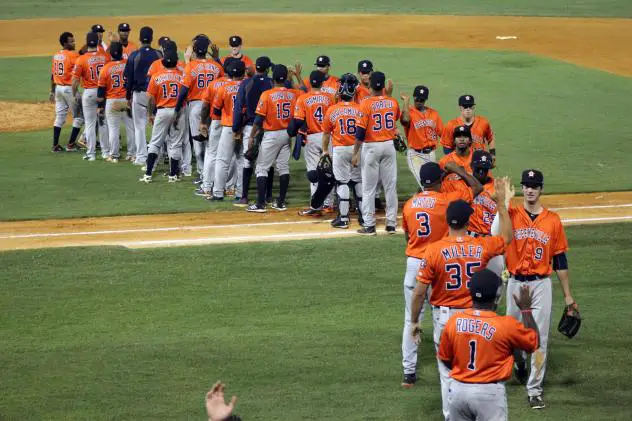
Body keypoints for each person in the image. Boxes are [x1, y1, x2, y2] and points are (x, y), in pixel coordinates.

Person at [410, 178, 513, 420]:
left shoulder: (434, 250)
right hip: (474, 318)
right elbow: (507, 238)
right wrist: (501, 205)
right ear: (468, 221)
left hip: (446, 320)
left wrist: (415, 322)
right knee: (479, 369)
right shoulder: (480, 246)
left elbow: (419, 292)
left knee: (448, 375)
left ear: (447, 221)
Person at [399, 161, 483, 388]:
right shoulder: (447, 201)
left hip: (415, 263)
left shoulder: (409, 205)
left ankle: (408, 373)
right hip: (440, 263)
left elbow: (407, 238)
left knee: (411, 319)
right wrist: (457, 170)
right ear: (440, 180)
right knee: (442, 314)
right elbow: (477, 188)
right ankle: (452, 367)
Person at [505, 169, 580, 409]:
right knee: (512, 338)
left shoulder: (553, 220)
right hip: (515, 283)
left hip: (540, 285)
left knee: (540, 339)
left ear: (541, 189)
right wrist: (502, 202)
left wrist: (568, 296)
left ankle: (535, 390)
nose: (529, 189)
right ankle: (519, 364)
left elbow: (560, 260)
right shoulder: (512, 214)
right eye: (526, 185)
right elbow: (497, 234)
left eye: (534, 186)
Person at [438, 269, 540, 421]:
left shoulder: (453, 322)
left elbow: (445, 359)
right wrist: (525, 309)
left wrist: (466, 373)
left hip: (458, 391)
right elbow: (534, 342)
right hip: (489, 394)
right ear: (497, 296)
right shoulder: (506, 325)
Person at [245, 64, 303, 213]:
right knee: (283, 167)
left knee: (262, 168)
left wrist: (252, 136)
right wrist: (297, 76)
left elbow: (258, 119)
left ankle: (260, 204)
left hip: (271, 135)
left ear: (273, 79)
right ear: (285, 79)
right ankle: (280, 202)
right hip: (287, 135)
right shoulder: (294, 94)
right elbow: (305, 91)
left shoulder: (267, 94)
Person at [353, 71, 400, 235]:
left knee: (368, 188)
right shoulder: (392, 102)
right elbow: (395, 119)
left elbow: (359, 132)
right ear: (384, 86)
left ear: (371, 85)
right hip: (388, 146)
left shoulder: (366, 103)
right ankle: (391, 224)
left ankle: (369, 225)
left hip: (371, 147)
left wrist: (355, 152)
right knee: (390, 186)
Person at [231, 56, 279, 206]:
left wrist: (235, 127)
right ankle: (268, 196)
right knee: (268, 162)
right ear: (267, 69)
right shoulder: (272, 83)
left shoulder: (246, 83)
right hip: (268, 127)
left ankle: (244, 197)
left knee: (247, 160)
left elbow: (238, 108)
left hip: (250, 127)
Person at [319, 73, 363, 228]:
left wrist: (325, 151)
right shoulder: (361, 109)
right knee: (358, 181)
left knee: (342, 182)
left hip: (340, 150)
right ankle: (364, 217)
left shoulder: (332, 110)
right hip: (358, 150)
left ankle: (343, 218)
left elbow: (325, 134)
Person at [177, 36, 224, 178]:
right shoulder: (216, 66)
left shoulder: (190, 66)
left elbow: (184, 89)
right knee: (213, 140)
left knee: (198, 141)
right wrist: (216, 59)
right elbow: (224, 81)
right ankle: (213, 173)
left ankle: (203, 174)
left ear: (195, 51)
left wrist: (177, 107)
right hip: (213, 107)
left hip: (197, 106)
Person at [138, 46, 187, 183]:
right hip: (179, 112)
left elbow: (151, 99)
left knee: (155, 142)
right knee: (176, 144)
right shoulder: (182, 76)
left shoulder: (156, 76)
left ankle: (148, 175)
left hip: (162, 111)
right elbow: (185, 96)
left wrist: (150, 115)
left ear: (163, 62)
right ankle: (173, 175)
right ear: (177, 62)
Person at [289, 71, 334, 212]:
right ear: (322, 83)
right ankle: (329, 204)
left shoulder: (303, 99)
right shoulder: (329, 98)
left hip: (312, 137)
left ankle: (316, 205)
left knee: (314, 172)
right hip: (329, 137)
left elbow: (298, 120)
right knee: (329, 171)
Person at [124, 26, 162, 166]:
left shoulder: (134, 55)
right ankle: (156, 158)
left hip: (139, 95)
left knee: (139, 127)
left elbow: (128, 79)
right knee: (156, 127)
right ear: (152, 39)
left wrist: (128, 96)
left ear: (140, 39)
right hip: (155, 96)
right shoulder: (158, 54)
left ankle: (141, 157)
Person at [210, 60, 247, 201]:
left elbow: (216, 109)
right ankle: (240, 194)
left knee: (222, 161)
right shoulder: (248, 86)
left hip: (228, 128)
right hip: (244, 128)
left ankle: (218, 193)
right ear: (243, 73)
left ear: (230, 73)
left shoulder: (223, 88)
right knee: (242, 160)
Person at [72, 31, 110, 161]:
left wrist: (74, 93)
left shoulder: (81, 59)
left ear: (87, 42)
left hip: (88, 93)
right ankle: (106, 152)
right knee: (103, 123)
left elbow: (75, 80)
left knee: (89, 124)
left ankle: (91, 154)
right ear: (98, 41)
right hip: (102, 92)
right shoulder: (105, 57)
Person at [97, 41, 135, 162]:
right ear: (122, 52)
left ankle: (114, 155)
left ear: (110, 53)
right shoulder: (128, 65)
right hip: (126, 100)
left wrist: (100, 107)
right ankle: (132, 154)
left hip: (112, 102)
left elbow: (101, 92)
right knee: (131, 128)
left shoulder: (105, 69)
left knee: (113, 129)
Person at [400, 85, 443, 187]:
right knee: (426, 185)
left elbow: (443, 133)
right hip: (416, 156)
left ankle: (417, 201)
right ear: (414, 97)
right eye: (417, 99)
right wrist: (406, 102)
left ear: (425, 99)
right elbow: (405, 121)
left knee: (434, 184)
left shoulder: (433, 114)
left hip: (431, 154)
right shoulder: (408, 112)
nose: (419, 101)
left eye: (422, 100)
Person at [50, 31, 83, 152]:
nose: (74, 42)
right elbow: (83, 57)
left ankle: (55, 146)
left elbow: (52, 75)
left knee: (60, 117)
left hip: (58, 89)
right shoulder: (72, 55)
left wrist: (52, 91)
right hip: (69, 90)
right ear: (65, 43)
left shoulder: (56, 55)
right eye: (71, 41)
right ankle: (71, 145)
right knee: (79, 117)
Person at [439, 125, 474, 194]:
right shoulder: (444, 161)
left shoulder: (476, 159)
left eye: (465, 136)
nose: (462, 139)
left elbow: (486, 182)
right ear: (454, 141)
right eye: (458, 136)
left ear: (470, 140)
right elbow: (437, 184)